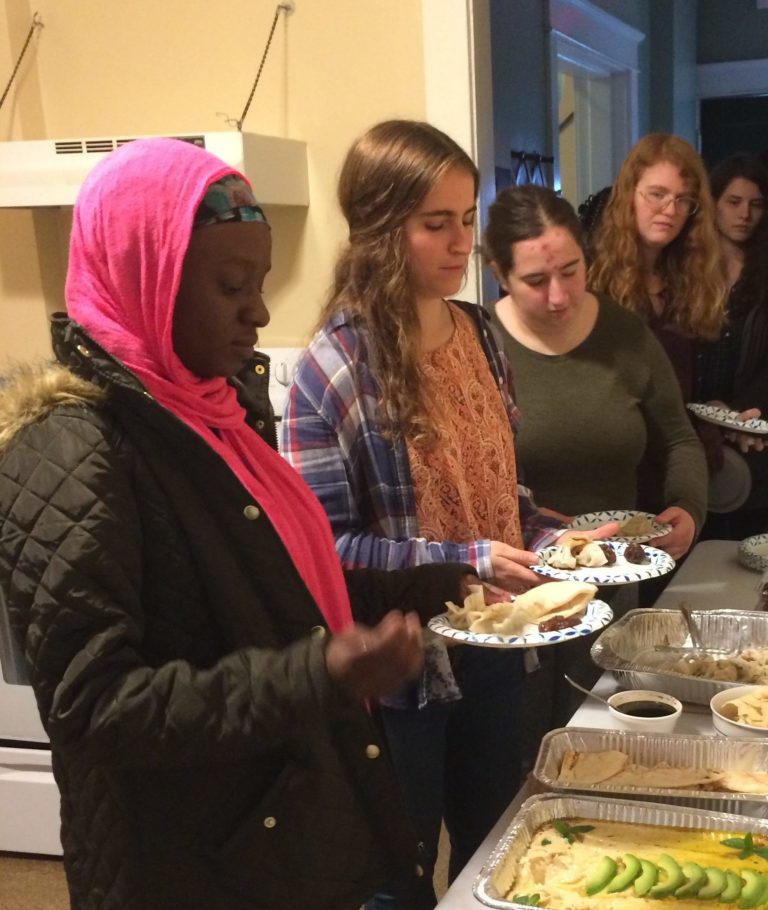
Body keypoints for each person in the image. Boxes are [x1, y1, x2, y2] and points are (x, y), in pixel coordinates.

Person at [0, 137, 483, 910]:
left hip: (272, 835)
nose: (259, 310)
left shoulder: (215, 409)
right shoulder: (72, 450)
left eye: (259, 281)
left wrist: (426, 584)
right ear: (147, 282)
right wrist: (316, 674)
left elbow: (277, 577)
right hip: (192, 867)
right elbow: (96, 709)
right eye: (231, 285)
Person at [280, 119, 613, 908]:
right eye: (437, 223)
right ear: (377, 228)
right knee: (397, 873)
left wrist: (553, 541)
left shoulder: (476, 333)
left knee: (497, 847)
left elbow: (504, 491)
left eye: (467, 219)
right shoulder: (333, 369)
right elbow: (325, 550)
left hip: (498, 649)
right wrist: (464, 561)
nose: (461, 241)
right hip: (401, 671)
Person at [481, 184, 707, 760]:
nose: (558, 296)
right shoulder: (478, 343)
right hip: (513, 590)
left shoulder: (626, 334)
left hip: (613, 580)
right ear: (500, 274)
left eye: (571, 272)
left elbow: (679, 438)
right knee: (516, 755)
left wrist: (687, 507)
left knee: (606, 745)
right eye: (535, 281)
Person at [587, 133, 725, 536]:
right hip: (612, 463)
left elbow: (698, 379)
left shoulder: (692, 278)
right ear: (629, 194)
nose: (670, 209)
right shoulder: (588, 275)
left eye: (683, 200)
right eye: (657, 194)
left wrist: (719, 407)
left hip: (678, 462)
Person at [695, 154, 768, 538]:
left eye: (756, 205)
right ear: (714, 204)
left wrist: (744, 412)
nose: (745, 214)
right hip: (692, 426)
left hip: (754, 428)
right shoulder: (689, 266)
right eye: (734, 202)